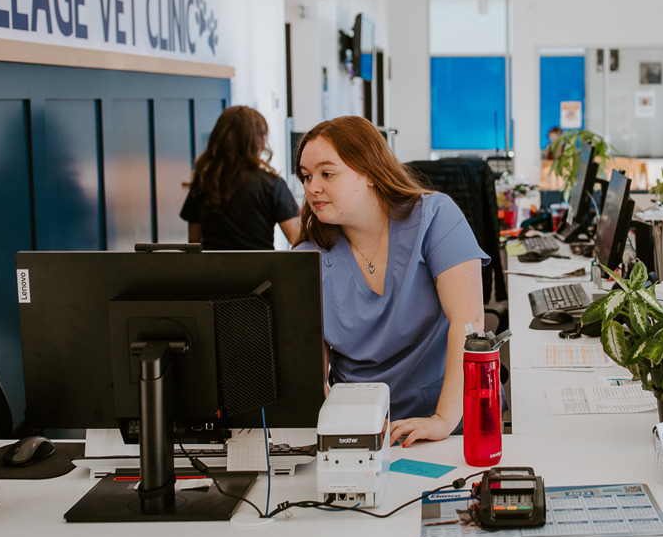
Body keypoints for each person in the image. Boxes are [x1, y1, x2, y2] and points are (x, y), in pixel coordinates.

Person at [293, 116, 487, 447]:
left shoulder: (435, 217)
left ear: (369, 172)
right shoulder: (308, 258)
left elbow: (468, 324)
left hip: (450, 420)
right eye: (306, 177)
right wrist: (342, 432)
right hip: (362, 430)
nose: (313, 188)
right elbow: (312, 374)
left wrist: (442, 420)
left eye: (327, 174)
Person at [181, 106, 300, 250]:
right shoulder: (271, 184)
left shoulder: (203, 182)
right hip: (261, 270)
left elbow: (194, 241)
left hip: (213, 270)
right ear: (256, 141)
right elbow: (297, 239)